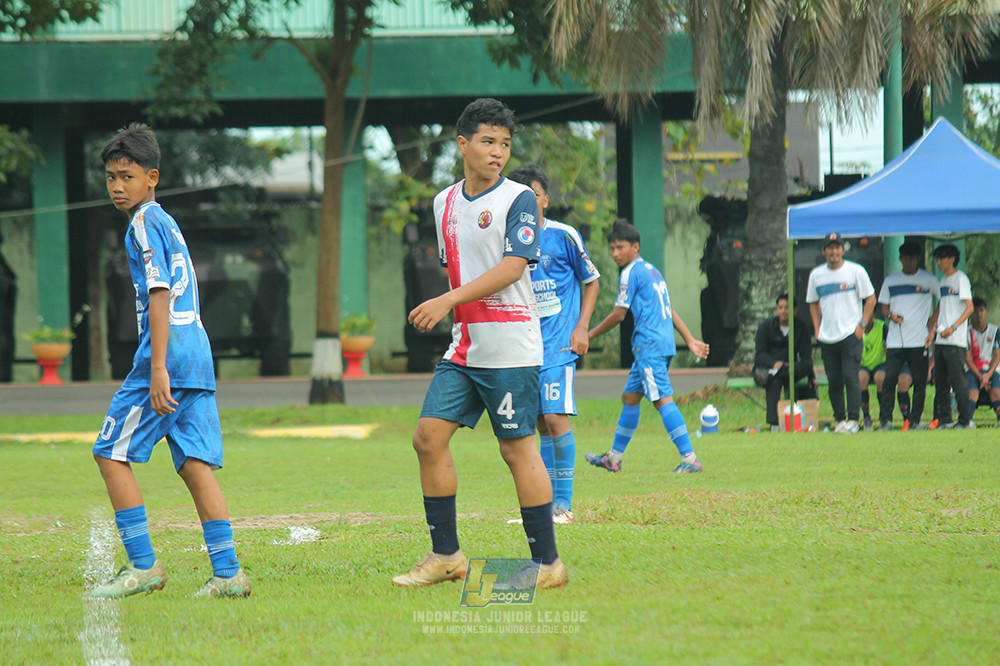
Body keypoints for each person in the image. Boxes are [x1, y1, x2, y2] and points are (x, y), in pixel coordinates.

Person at [392, 99, 568, 589]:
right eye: (488, 142)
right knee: (427, 438)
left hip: (511, 346)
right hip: (466, 346)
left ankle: (548, 564)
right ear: (462, 144)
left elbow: (513, 269)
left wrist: (446, 300)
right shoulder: (442, 202)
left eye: (505, 144)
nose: (498, 153)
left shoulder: (520, 200)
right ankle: (446, 555)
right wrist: (454, 308)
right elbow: (459, 266)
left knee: (517, 450)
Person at [90, 124, 250, 598]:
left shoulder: (142, 224)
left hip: (169, 356)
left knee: (110, 453)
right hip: (197, 354)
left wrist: (157, 367)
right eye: (110, 178)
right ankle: (228, 574)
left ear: (152, 177)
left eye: (127, 176)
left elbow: (159, 293)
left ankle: (143, 567)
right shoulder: (166, 220)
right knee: (195, 464)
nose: (118, 186)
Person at [508, 164, 600, 525]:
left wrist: (582, 328)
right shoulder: (508, 241)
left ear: (544, 199)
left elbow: (590, 281)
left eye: (532, 196)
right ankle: (544, 507)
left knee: (554, 417)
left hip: (560, 342)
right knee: (536, 424)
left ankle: (563, 505)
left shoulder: (563, 235)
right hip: (522, 346)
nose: (527, 204)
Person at [585, 219, 709, 474]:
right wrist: (689, 339)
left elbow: (619, 314)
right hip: (657, 346)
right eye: (612, 248)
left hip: (649, 346)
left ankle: (690, 459)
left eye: (620, 247)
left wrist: (588, 334)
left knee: (662, 400)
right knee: (630, 398)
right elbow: (669, 309)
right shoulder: (652, 270)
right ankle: (613, 458)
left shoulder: (631, 273)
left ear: (635, 246)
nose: (615, 253)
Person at [806, 232, 876, 434]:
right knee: (834, 380)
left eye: (837, 248)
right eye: (830, 248)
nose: (834, 252)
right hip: (828, 337)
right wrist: (818, 329)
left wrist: (861, 326)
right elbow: (812, 303)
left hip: (850, 334)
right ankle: (840, 420)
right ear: (824, 251)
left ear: (843, 250)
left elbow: (870, 299)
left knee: (850, 376)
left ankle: (853, 420)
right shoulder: (816, 275)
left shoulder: (855, 271)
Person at [877, 240, 939, 430]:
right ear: (900, 259)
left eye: (912, 257)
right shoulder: (891, 281)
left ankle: (914, 421)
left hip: (919, 339)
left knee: (920, 381)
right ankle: (886, 419)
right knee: (889, 380)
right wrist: (891, 316)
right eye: (905, 258)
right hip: (896, 340)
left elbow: (943, 301)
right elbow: (884, 309)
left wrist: (933, 322)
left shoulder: (928, 280)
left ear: (918, 259)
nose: (909, 261)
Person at [753, 293, 816, 432]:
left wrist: (811, 376)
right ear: (776, 309)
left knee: (798, 370)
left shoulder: (801, 327)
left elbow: (806, 358)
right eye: (780, 307)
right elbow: (760, 355)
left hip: (791, 368)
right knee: (775, 380)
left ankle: (801, 418)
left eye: (787, 308)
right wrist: (774, 363)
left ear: (794, 310)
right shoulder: (765, 326)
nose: (783, 311)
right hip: (769, 370)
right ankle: (775, 423)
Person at [927, 243, 974, 429]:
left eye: (943, 258)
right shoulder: (943, 282)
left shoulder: (960, 279)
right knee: (941, 382)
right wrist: (932, 328)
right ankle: (945, 420)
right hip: (941, 339)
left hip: (955, 340)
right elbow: (942, 306)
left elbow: (969, 307)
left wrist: (953, 328)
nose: (939, 262)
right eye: (937, 258)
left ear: (953, 259)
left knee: (958, 381)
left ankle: (964, 420)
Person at [858, 317, 913, 430]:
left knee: (881, 378)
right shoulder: (855, 327)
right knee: (861, 378)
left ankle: (885, 415)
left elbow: (886, 348)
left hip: (881, 364)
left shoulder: (882, 327)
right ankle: (867, 417)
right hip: (863, 365)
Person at [965, 297, 1000, 426]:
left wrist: (988, 375)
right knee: (972, 392)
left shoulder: (995, 331)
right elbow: (967, 358)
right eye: (975, 311)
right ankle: (968, 420)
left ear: (986, 312)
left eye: (981, 310)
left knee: (995, 391)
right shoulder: (967, 332)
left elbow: (997, 355)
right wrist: (981, 377)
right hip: (973, 370)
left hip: (990, 370)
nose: (979, 314)